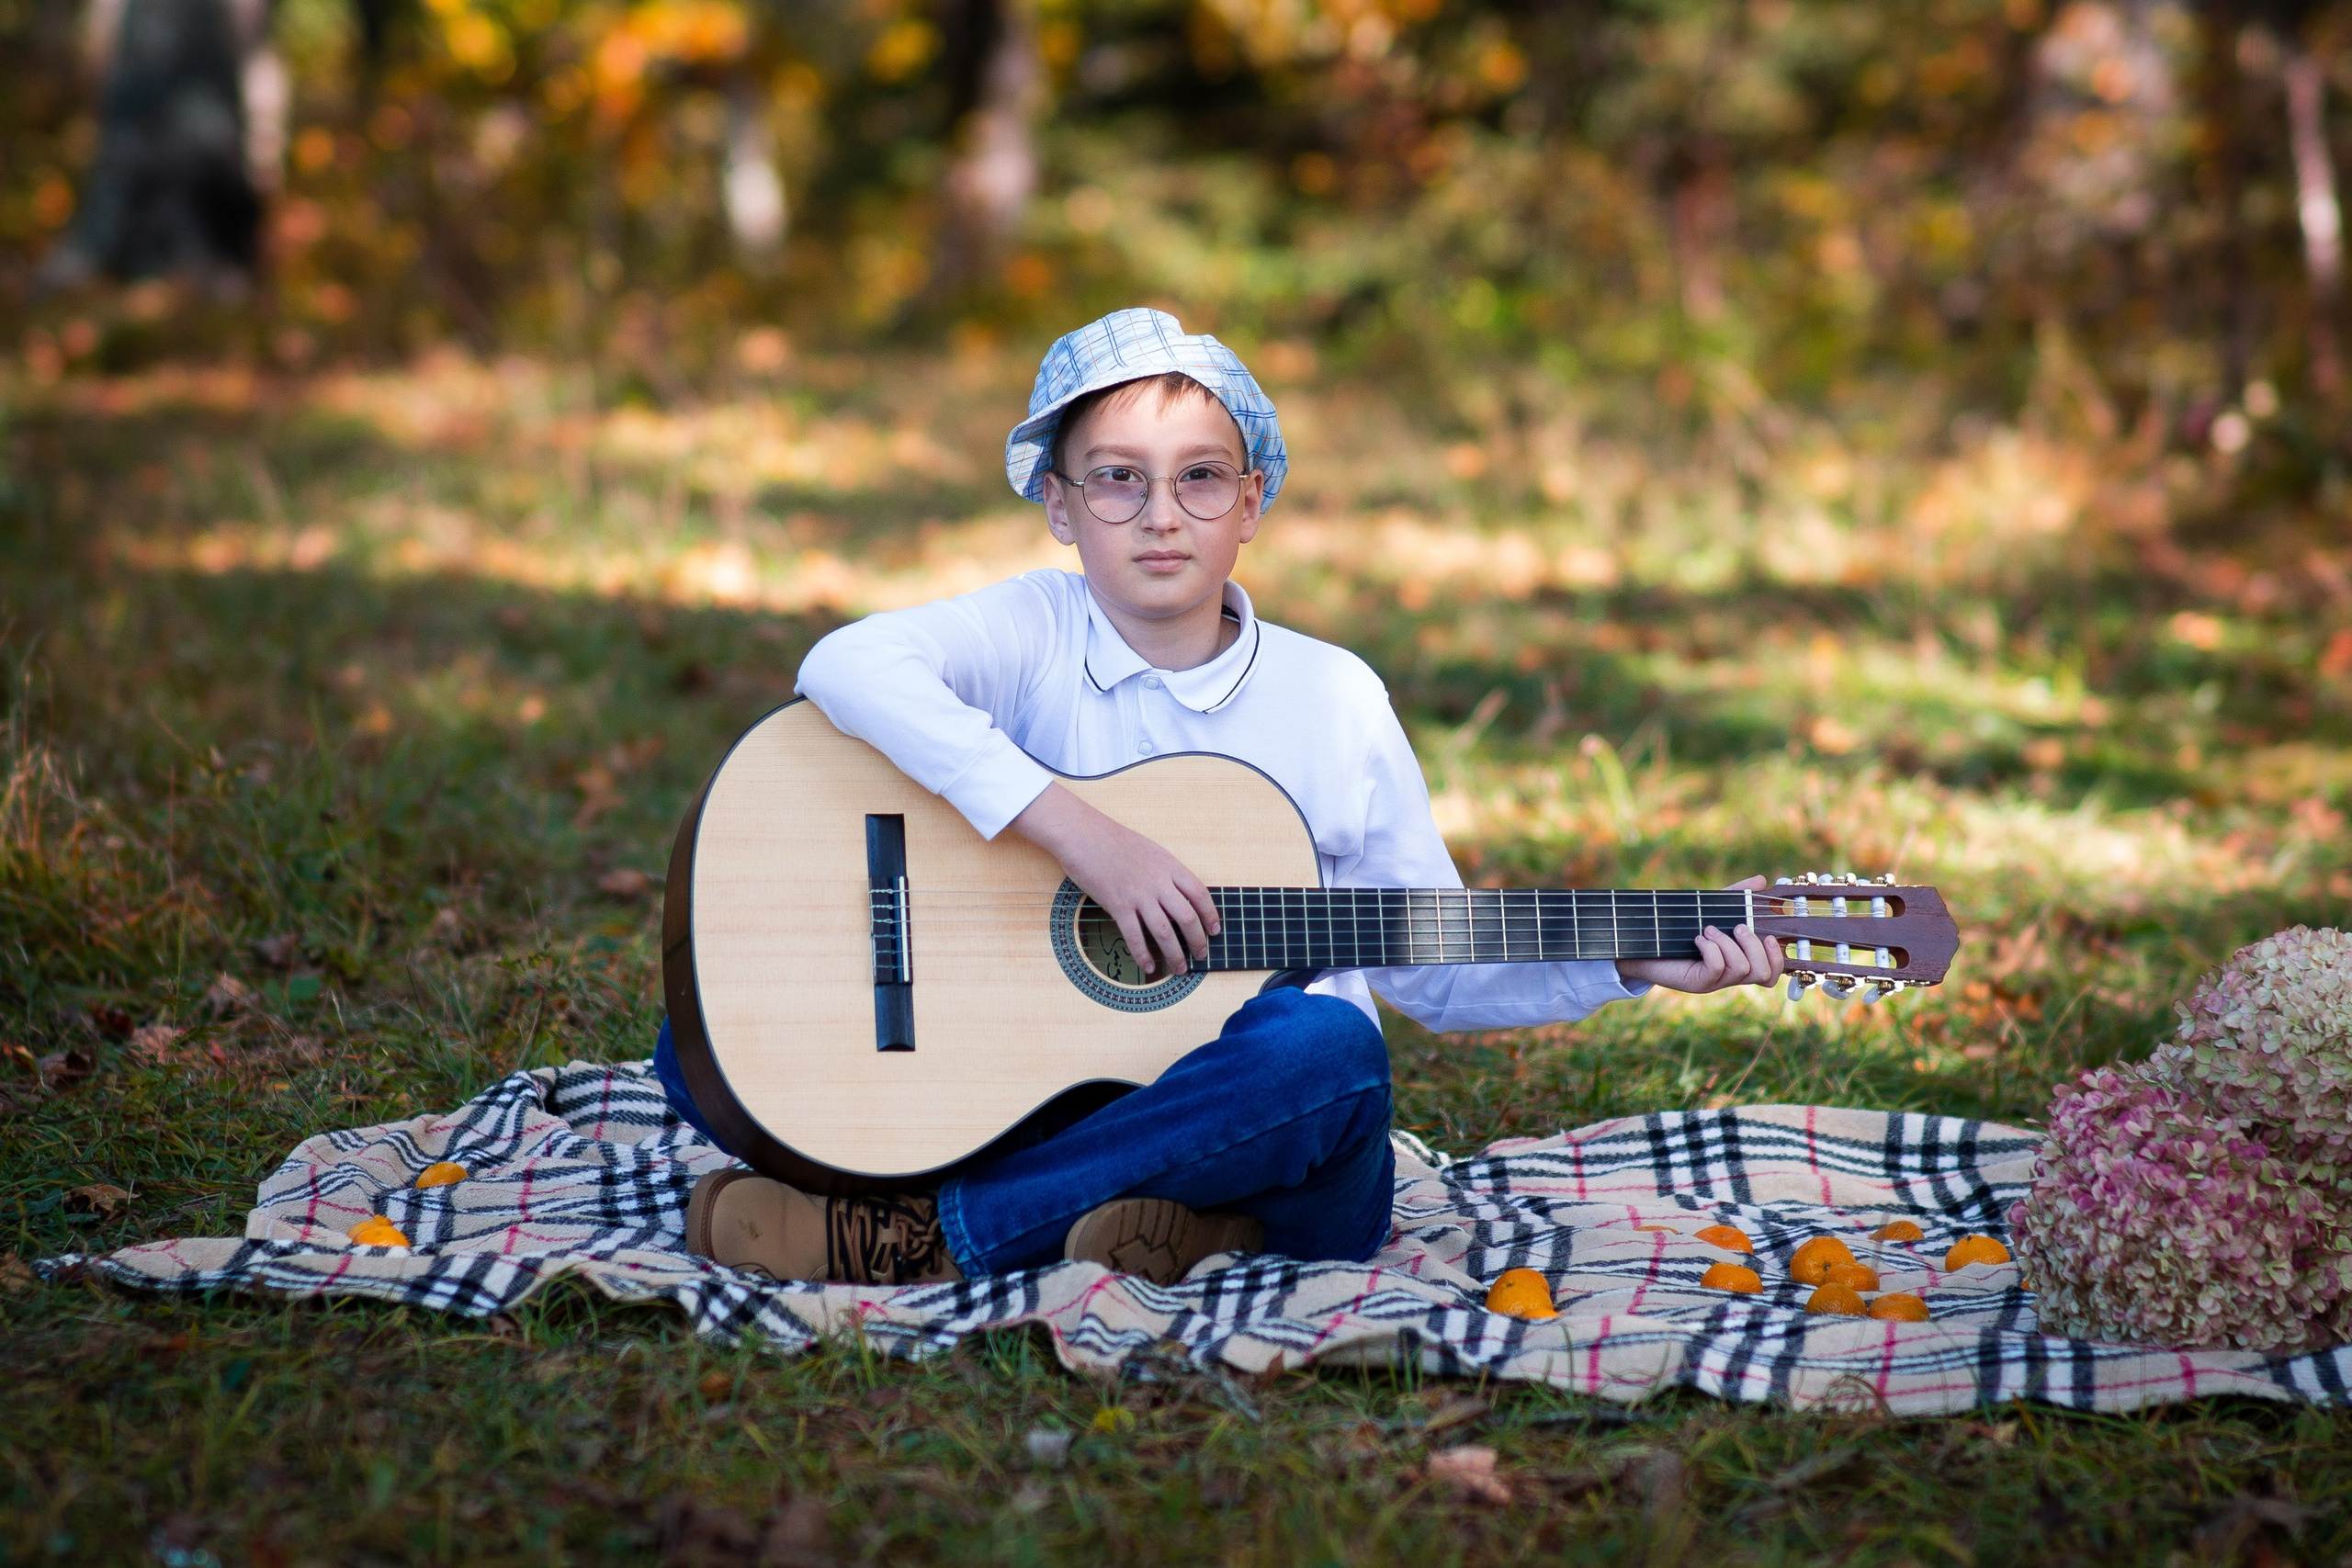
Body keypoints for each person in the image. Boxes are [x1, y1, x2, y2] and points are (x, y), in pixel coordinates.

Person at [663, 308, 1785, 1288]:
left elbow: (1433, 969)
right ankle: (1163, 1222)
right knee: (711, 1039)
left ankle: (925, 1235)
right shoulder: (1033, 630)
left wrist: (1633, 956)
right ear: (1059, 506)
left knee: (1325, 1054)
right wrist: (1082, 837)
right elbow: (847, 666)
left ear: (1250, 504)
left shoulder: (1332, 700)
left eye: (1200, 477)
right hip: (1035, 1095)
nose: (1161, 514)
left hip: (1257, 1110)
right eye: (1117, 478)